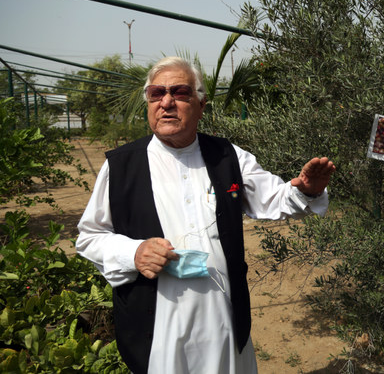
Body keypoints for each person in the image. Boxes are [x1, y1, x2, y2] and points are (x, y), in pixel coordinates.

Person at [76, 56, 336, 374]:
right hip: (158, 328)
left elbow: (275, 198)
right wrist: (134, 252)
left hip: (222, 321)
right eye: (157, 93)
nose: (166, 102)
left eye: (179, 92)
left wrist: (306, 190)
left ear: (201, 105)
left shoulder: (227, 156)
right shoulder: (121, 166)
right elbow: (90, 237)